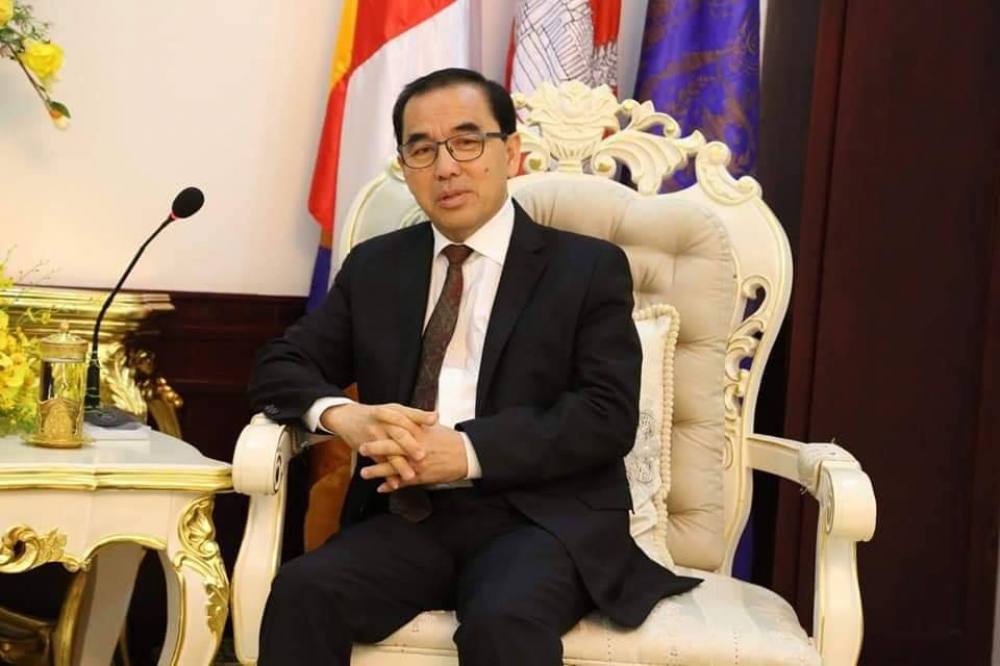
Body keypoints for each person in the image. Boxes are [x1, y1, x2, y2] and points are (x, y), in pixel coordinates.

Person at [249, 67, 700, 666]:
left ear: (510, 152)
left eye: (466, 142)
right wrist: (345, 417)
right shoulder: (377, 266)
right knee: (304, 590)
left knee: (503, 623)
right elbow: (280, 365)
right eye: (422, 149)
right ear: (406, 167)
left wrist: (465, 452)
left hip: (540, 521)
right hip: (410, 516)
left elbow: (606, 414)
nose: (445, 167)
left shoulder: (586, 268)